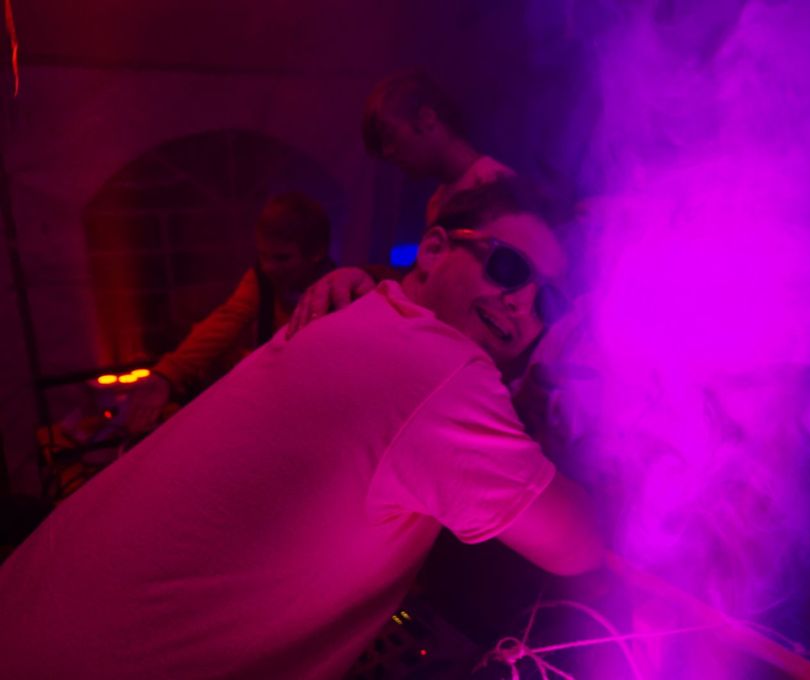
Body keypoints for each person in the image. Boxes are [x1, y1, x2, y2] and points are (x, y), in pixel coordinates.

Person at [0, 178, 604, 679]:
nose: (522, 303)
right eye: (507, 267)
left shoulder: (362, 311)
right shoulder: (444, 373)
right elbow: (578, 544)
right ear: (433, 248)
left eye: (547, 301)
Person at [120, 191, 334, 435]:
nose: (268, 267)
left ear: (317, 253)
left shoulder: (335, 291)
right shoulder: (261, 280)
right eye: (262, 256)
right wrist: (167, 374)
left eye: (281, 258)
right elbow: (227, 319)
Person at [362, 70, 514, 226]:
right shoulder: (436, 204)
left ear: (426, 118)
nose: (387, 152)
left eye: (389, 136)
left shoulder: (500, 189)